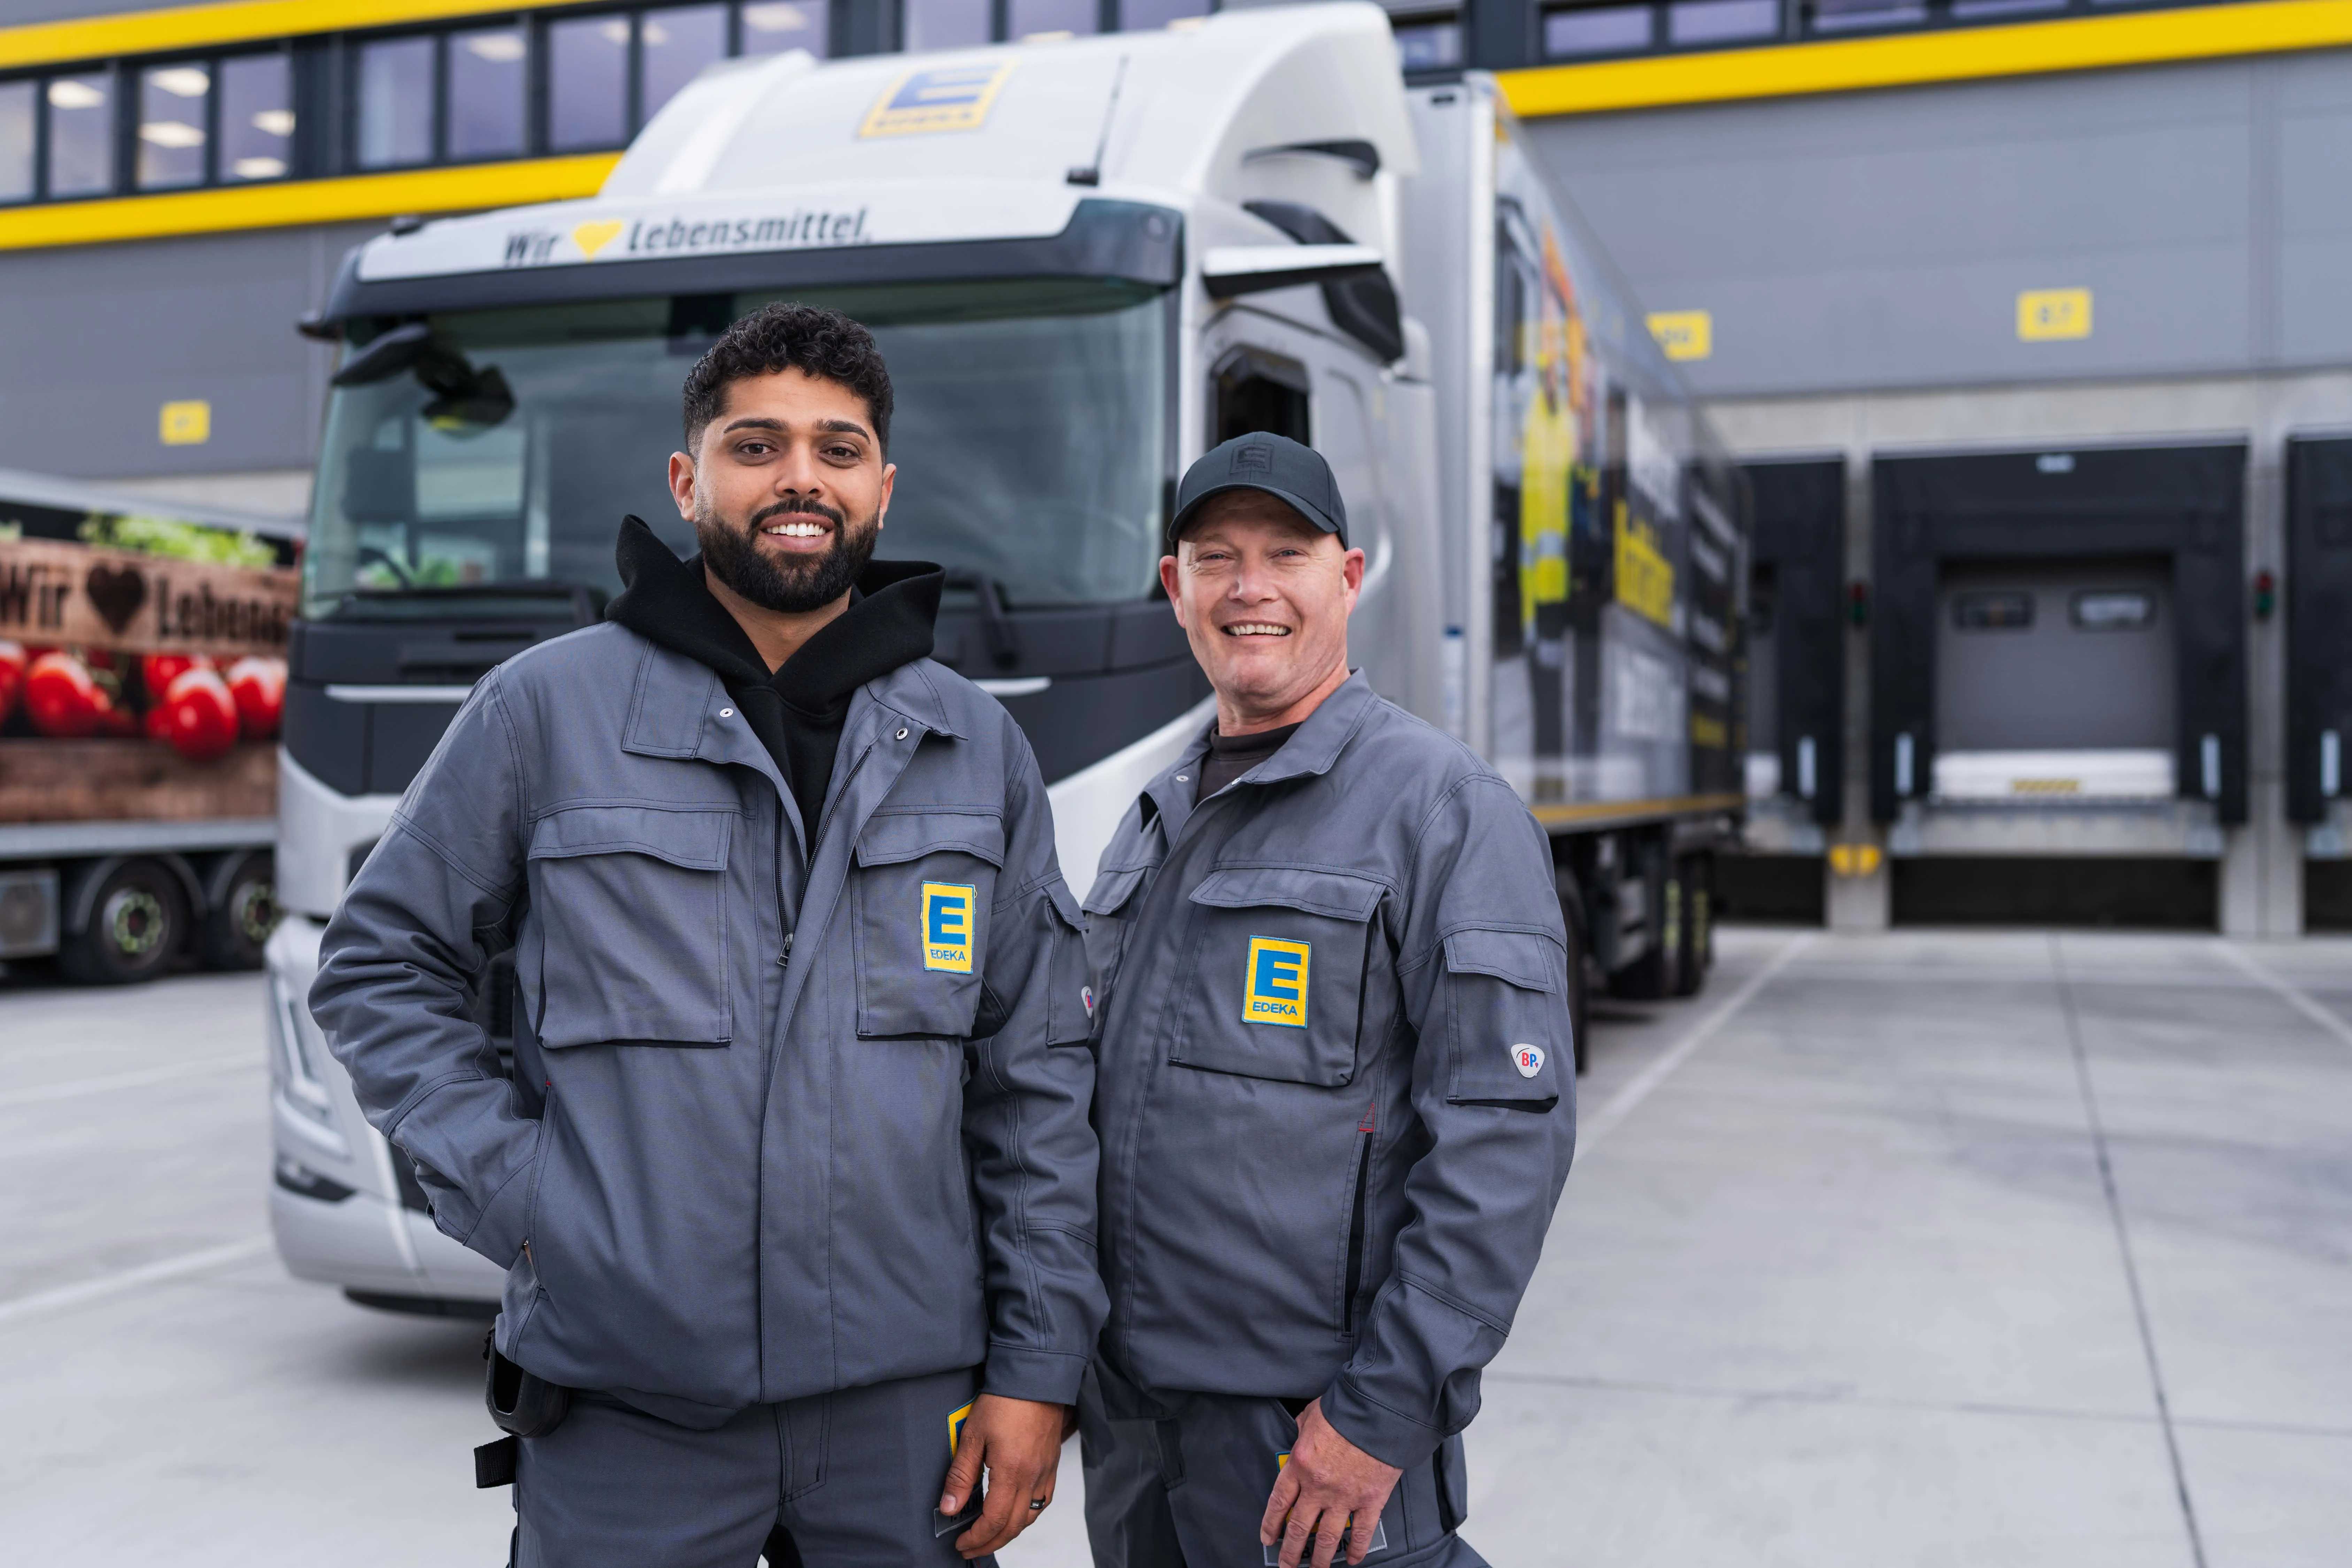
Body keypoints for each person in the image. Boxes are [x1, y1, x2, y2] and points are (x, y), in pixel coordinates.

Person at [309, 303, 1103, 1568]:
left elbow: (1034, 1084)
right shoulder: (543, 712)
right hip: (630, 1404)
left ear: (883, 489)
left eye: (837, 450)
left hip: (901, 1413)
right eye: (757, 445)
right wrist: (536, 1206)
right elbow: (377, 969)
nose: (800, 477)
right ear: (689, 480)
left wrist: (1038, 1364)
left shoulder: (974, 746)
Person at [1077, 434, 1577, 1568]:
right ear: (1176, 589)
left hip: (1312, 1446)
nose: (1249, 588)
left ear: (1346, 578)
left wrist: (1380, 1412)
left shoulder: (1444, 810)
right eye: (1216, 558)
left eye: (1285, 554)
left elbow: (1503, 1146)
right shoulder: (1153, 820)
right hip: (1139, 1440)